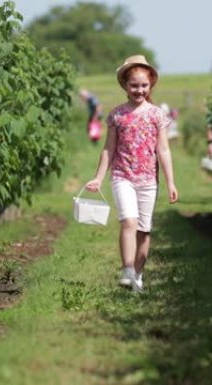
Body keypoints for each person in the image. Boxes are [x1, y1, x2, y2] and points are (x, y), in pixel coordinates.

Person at [84, 55, 178, 292]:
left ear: (151, 85)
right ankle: (127, 269)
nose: (139, 90)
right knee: (129, 221)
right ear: (125, 86)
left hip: (148, 181)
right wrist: (98, 177)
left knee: (144, 231)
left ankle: (138, 276)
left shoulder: (156, 115)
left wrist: (170, 182)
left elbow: (163, 150)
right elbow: (109, 148)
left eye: (144, 85)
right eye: (134, 85)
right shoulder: (117, 115)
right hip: (122, 176)